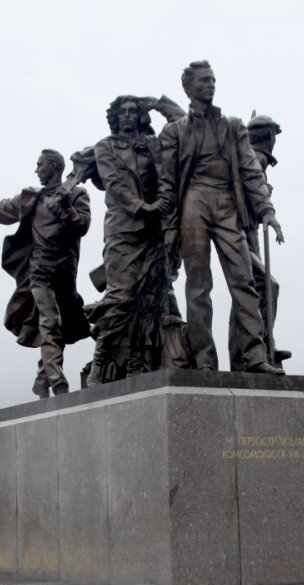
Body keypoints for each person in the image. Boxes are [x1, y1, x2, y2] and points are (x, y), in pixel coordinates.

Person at [157, 61, 284, 374]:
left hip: (226, 203)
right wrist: (170, 226)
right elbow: (168, 182)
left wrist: (267, 210)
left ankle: (254, 355)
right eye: (203, 80)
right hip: (193, 202)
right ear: (188, 88)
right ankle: (204, 360)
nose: (210, 84)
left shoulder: (233, 126)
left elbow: (251, 171)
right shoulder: (175, 131)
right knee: (198, 286)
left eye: (213, 79)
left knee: (244, 279)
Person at [0, 149, 91, 397]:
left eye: (40, 165)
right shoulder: (32, 197)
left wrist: (67, 209)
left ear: (53, 167)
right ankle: (56, 379)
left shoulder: (75, 193)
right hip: (39, 270)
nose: (37, 170)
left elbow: (82, 225)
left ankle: (41, 380)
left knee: (61, 325)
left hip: (65, 272)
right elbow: (5, 209)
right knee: (49, 320)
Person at [86, 94, 187, 385]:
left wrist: (158, 105)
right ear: (115, 117)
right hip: (123, 229)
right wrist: (143, 207)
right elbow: (114, 184)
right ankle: (99, 363)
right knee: (121, 298)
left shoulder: (152, 145)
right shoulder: (105, 147)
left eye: (133, 111)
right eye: (123, 112)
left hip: (153, 233)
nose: (129, 116)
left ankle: (136, 366)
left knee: (149, 302)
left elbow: (182, 133)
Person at [228, 113, 291, 371]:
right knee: (267, 286)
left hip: (249, 232)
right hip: (239, 232)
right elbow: (243, 192)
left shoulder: (256, 158)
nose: (275, 140)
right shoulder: (255, 158)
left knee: (248, 293)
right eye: (274, 135)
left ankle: (250, 351)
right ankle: (258, 346)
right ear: (267, 136)